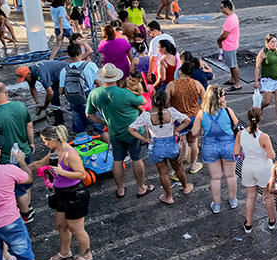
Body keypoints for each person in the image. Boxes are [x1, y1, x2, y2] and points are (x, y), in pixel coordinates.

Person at [86, 64, 153, 200]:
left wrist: (104, 122)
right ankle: (141, 187)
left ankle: (120, 189)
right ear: (116, 77)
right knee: (136, 158)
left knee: (117, 160)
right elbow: (144, 100)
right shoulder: (124, 93)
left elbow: (90, 115)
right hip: (133, 131)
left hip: (114, 132)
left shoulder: (94, 94)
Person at [29, 126, 93, 260]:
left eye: (45, 141)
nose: (44, 143)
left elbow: (82, 174)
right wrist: (21, 165)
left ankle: (86, 254)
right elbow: (39, 163)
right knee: (61, 225)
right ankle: (65, 252)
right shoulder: (54, 151)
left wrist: (62, 172)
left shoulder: (70, 154)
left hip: (75, 193)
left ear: (52, 140)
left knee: (76, 228)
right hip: (61, 193)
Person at [0, 82, 35, 222]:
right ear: (6, 92)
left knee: (18, 190)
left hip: (6, 158)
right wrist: (31, 143)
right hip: (24, 152)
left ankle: (25, 214)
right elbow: (29, 126)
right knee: (26, 182)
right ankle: (28, 207)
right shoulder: (20, 106)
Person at [128, 91, 193, 205]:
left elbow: (131, 129)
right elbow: (187, 120)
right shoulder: (171, 112)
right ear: (165, 102)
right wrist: (177, 130)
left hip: (156, 146)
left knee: (163, 173)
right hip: (172, 144)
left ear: (152, 101)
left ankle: (169, 196)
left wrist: (144, 139)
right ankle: (186, 187)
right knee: (178, 168)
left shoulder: (146, 115)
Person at [190, 85, 238, 213]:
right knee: (230, 175)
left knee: (215, 178)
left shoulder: (201, 113)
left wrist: (202, 129)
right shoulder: (228, 111)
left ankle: (216, 205)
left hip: (210, 147)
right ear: (219, 98)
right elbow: (236, 123)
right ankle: (233, 200)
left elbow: (194, 132)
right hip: (228, 146)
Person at [236, 107, 276, 233]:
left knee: (250, 196)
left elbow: (236, 152)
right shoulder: (263, 136)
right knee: (268, 196)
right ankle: (271, 221)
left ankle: (248, 224)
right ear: (261, 118)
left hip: (248, 167)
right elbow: (272, 155)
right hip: (263, 168)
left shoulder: (240, 134)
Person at [165, 60, 205, 175]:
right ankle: (194, 165)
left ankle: (179, 169)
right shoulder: (197, 84)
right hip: (194, 118)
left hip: (179, 119)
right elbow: (204, 102)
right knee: (193, 141)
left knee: (180, 143)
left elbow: (167, 104)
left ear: (180, 71)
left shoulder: (171, 85)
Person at [59, 43, 102, 137]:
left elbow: (61, 91)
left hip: (74, 102)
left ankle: (83, 148)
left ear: (68, 55)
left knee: (79, 130)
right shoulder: (90, 65)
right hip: (90, 99)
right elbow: (98, 83)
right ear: (80, 52)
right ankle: (108, 148)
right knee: (100, 127)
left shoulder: (64, 70)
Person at [218, 0, 241, 91]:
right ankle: (232, 79)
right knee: (231, 64)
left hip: (229, 45)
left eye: (222, 7)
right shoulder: (233, 16)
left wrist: (218, 40)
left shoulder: (230, 20)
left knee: (233, 65)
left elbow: (225, 35)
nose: (221, 9)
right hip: (232, 43)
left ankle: (237, 84)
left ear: (227, 8)